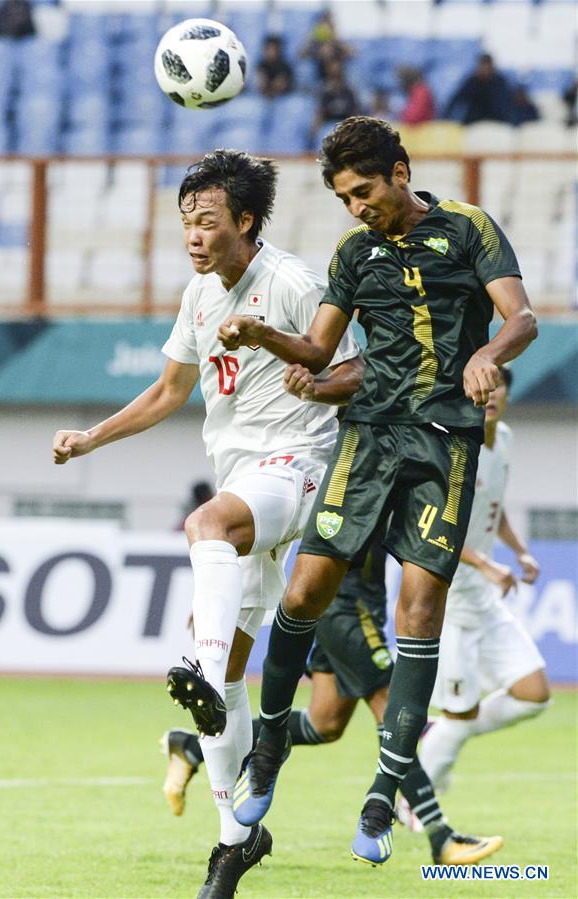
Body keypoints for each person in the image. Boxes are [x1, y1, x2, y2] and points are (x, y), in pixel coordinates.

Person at [217, 116, 537, 867]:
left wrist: (487, 354)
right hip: (367, 437)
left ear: (398, 171)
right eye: (342, 198)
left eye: (363, 191)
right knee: (302, 593)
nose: (357, 207)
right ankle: (264, 750)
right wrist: (263, 337)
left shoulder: (467, 228)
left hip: (442, 443)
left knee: (417, 608)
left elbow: (519, 317)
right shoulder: (354, 251)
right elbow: (319, 350)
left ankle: (382, 790)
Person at [52, 149, 360, 899]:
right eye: (186, 220)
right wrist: (93, 435)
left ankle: (198, 663)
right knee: (227, 678)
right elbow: (167, 391)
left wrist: (313, 379)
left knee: (206, 524)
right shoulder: (198, 295)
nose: (193, 234)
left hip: (301, 464)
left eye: (207, 221)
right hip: (245, 475)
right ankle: (236, 837)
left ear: (246, 221)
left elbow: (358, 370)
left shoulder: (292, 283)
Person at [163, 530, 503, 866]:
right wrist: (216, 597)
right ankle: (441, 837)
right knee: (391, 710)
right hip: (345, 609)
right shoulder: (345, 478)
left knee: (325, 722)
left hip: (356, 604)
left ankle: (190, 747)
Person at [415, 366, 550, 797]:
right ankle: (412, 804)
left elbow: (495, 506)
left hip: (484, 600)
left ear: (507, 396)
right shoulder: (456, 446)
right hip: (451, 601)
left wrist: (519, 551)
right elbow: (434, 528)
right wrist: (486, 566)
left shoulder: (504, 439)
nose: (490, 398)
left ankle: (443, 735)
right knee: (460, 714)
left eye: (498, 392)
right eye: (484, 390)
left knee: (534, 694)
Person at [444, 53, 514, 125]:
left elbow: (508, 104)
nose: (484, 69)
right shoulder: (472, 81)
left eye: (486, 66)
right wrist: (445, 117)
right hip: (474, 122)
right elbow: (456, 99)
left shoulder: (500, 82)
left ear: (491, 67)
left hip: (496, 123)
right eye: (482, 66)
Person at [311, 58, 361, 145]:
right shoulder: (323, 90)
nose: (335, 70)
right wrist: (314, 131)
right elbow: (320, 112)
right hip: (328, 125)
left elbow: (355, 111)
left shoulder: (349, 89)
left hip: (345, 125)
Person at [300, 9, 354, 82]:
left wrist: (335, 40)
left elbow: (352, 53)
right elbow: (301, 55)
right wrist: (310, 38)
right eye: (323, 24)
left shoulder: (337, 45)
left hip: (338, 83)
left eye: (328, 25)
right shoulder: (314, 46)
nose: (326, 28)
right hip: (319, 81)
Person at [256, 35, 294, 99]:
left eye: (274, 49)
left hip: (283, 99)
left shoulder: (284, 66)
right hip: (263, 99)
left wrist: (270, 87)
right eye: (269, 49)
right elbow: (260, 86)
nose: (271, 52)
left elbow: (280, 87)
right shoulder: (261, 65)